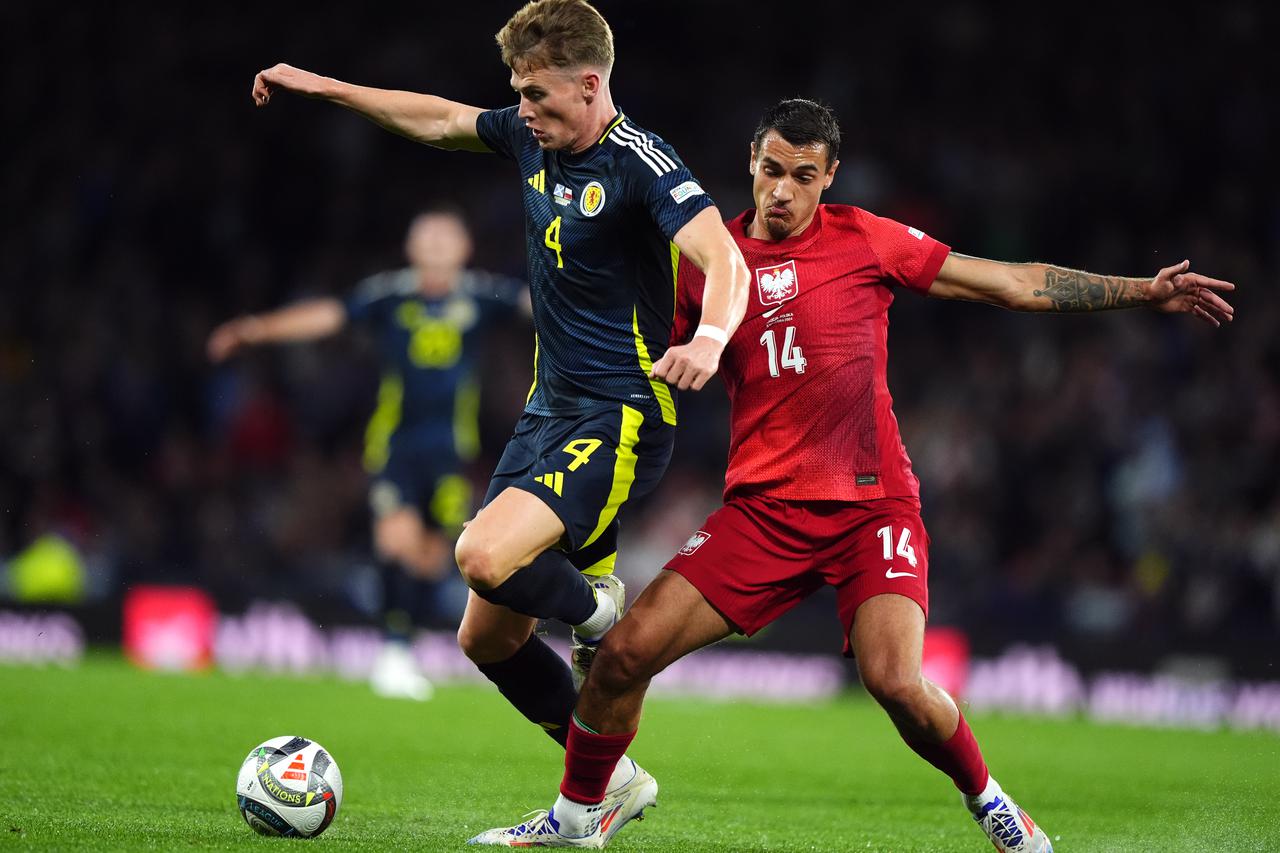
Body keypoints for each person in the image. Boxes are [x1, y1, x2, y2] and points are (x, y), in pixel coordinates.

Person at [468, 99, 1236, 849]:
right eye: (771, 170)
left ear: (829, 175)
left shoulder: (866, 240)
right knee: (624, 655)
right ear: (751, 162)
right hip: (763, 513)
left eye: (803, 175)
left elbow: (1006, 282)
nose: (781, 190)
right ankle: (575, 823)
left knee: (895, 681)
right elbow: (636, 368)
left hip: (874, 510)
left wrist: (1143, 291)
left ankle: (991, 801)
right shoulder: (707, 266)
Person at [249, 0, 750, 831]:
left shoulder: (641, 163)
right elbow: (439, 118)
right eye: (517, 92)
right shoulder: (528, 134)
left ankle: (598, 611)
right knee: (485, 639)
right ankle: (610, 779)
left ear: (591, 85)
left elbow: (721, 256)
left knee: (481, 552)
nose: (524, 111)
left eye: (540, 95)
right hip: (546, 412)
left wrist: (710, 336)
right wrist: (319, 85)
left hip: (620, 413)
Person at [208, 209, 524, 701]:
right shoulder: (390, 295)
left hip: (451, 451)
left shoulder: (483, 296)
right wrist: (256, 329)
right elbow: (328, 315)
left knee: (429, 556)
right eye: (428, 237)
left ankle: (404, 647)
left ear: (464, 248)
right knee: (395, 539)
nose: (438, 245)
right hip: (395, 445)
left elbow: (545, 304)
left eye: (447, 237)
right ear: (412, 247)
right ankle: (393, 652)